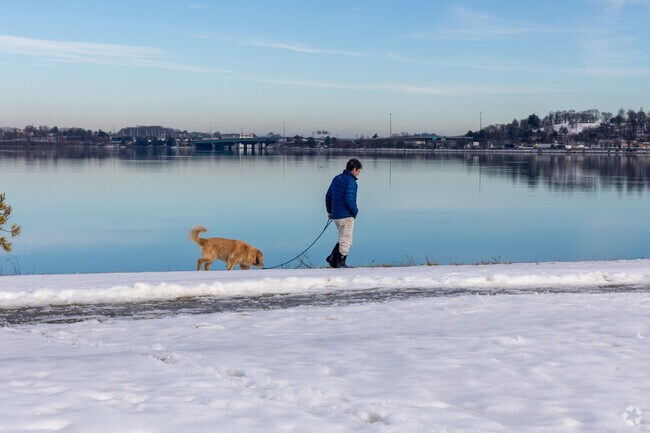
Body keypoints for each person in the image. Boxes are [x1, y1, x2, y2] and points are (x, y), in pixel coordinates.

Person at [325, 158, 362, 268]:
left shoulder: (337, 178)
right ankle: (340, 263)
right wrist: (355, 212)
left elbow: (328, 196)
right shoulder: (351, 182)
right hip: (346, 215)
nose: (358, 174)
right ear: (354, 169)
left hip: (336, 215)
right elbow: (349, 200)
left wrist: (330, 211)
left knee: (342, 237)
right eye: (358, 171)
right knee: (347, 240)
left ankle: (332, 258)